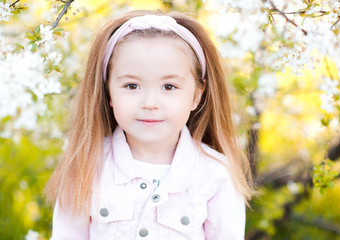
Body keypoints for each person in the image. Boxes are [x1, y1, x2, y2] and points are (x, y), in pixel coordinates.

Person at [45, 9, 254, 239]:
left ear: (196, 95)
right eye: (132, 86)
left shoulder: (215, 175)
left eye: (169, 87)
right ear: (108, 92)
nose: (150, 103)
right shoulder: (85, 165)